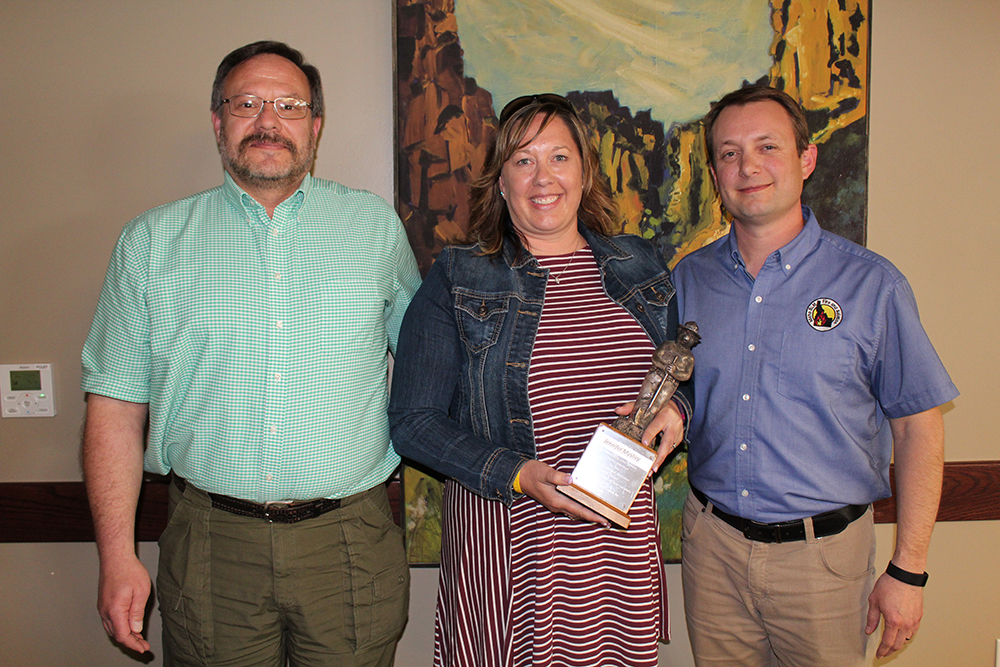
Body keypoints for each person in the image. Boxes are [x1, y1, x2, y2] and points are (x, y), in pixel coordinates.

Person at [80, 41, 420, 666]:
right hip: (211, 546)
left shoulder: (374, 230)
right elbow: (114, 407)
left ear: (315, 126)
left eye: (289, 105)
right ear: (219, 121)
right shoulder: (152, 242)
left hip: (348, 544)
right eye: (247, 103)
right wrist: (116, 556)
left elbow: (430, 368)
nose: (268, 121)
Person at [388, 93, 691, 667]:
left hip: (618, 558)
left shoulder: (641, 266)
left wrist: (679, 412)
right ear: (500, 182)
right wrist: (519, 473)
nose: (542, 177)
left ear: (584, 172)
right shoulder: (458, 276)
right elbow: (412, 423)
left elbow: (684, 372)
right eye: (523, 160)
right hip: (509, 553)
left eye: (558, 157)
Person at [672, 85, 959, 666]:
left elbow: (918, 429)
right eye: (728, 153)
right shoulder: (689, 280)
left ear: (806, 160)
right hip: (713, 552)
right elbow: (679, 395)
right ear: (714, 174)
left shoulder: (873, 286)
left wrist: (910, 570)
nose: (747, 166)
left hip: (824, 562)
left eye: (767, 147)